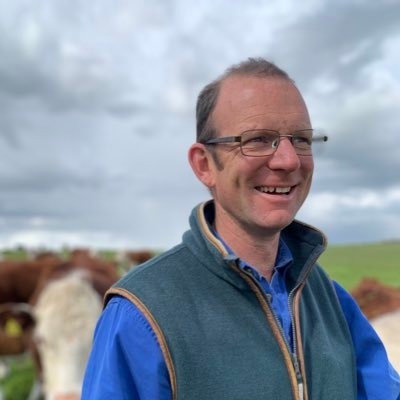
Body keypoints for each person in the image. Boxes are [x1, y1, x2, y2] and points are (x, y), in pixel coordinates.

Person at [82, 58, 400, 399]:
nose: (289, 160)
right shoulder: (141, 314)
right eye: (258, 139)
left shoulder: (328, 299)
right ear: (205, 165)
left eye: (302, 139)